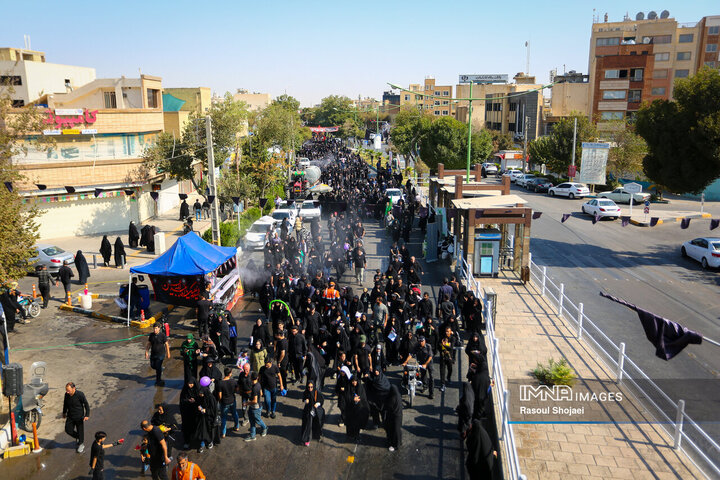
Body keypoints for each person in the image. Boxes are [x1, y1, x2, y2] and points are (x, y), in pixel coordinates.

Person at [63, 382, 90, 453]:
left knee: (80, 430)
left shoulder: (80, 394)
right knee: (68, 430)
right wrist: (64, 412)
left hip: (79, 416)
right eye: (66, 390)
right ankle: (78, 437)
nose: (67, 392)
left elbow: (86, 404)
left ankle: (81, 444)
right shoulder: (66, 395)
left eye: (68, 390)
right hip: (70, 416)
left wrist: (87, 415)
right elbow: (65, 404)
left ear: (73, 388)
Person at [243, 371, 267, 442]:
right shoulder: (258, 384)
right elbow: (261, 393)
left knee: (257, 420)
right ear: (257, 378)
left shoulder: (254, 388)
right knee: (252, 421)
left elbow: (255, 401)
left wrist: (247, 403)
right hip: (254, 406)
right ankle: (252, 435)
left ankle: (265, 428)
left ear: (251, 378)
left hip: (255, 407)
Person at [344, 374, 369, 441]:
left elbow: (363, 397)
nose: (354, 383)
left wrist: (359, 399)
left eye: (355, 381)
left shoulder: (360, 387)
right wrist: (353, 399)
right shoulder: (348, 387)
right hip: (350, 409)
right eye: (353, 381)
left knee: (357, 424)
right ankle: (350, 435)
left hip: (358, 410)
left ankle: (356, 435)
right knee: (350, 424)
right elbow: (346, 397)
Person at [195, 385, 219, 452]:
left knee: (209, 432)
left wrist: (206, 410)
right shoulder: (201, 397)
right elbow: (199, 403)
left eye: (201, 393)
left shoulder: (211, 398)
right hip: (202, 418)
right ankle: (202, 444)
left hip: (209, 419)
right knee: (202, 431)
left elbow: (214, 410)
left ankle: (209, 442)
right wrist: (199, 407)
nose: (200, 395)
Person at [300, 380, 324, 446]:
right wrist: (305, 400)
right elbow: (303, 398)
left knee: (318, 422)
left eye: (311, 387)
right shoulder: (306, 392)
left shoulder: (317, 392)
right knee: (308, 423)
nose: (310, 389)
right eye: (309, 387)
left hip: (316, 410)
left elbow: (321, 400)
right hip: (308, 410)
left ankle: (317, 435)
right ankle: (307, 439)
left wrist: (318, 404)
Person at [218, 367, 240, 438]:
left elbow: (220, 395)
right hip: (232, 400)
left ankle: (223, 433)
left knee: (223, 417)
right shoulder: (233, 381)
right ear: (230, 374)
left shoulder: (220, 383)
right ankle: (236, 426)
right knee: (234, 413)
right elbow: (237, 389)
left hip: (224, 402)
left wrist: (220, 401)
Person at [438, 326, 460, 392]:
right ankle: (443, 384)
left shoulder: (452, 338)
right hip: (442, 356)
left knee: (450, 369)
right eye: (446, 331)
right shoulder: (442, 337)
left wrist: (443, 345)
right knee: (442, 371)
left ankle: (448, 377)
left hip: (449, 357)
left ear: (450, 332)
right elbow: (438, 345)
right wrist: (444, 345)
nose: (446, 333)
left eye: (448, 331)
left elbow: (451, 347)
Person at [179, 377, 199, 449]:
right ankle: (187, 441)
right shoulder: (185, 390)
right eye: (189, 384)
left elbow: (200, 399)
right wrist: (188, 401)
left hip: (195, 412)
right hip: (187, 413)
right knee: (187, 427)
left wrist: (195, 400)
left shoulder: (197, 390)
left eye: (191, 384)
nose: (190, 385)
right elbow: (182, 400)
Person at [384, 385, 403, 452]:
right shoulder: (398, 396)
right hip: (399, 415)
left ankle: (395, 445)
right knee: (397, 430)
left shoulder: (393, 398)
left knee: (394, 430)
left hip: (394, 416)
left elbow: (388, 406)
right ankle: (398, 442)